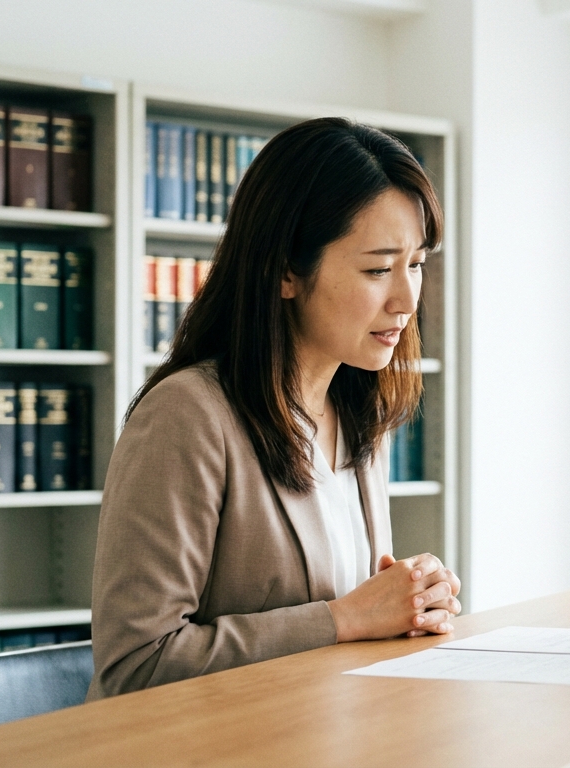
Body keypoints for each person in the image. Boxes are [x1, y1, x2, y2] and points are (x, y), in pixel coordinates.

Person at [88, 118, 461, 699]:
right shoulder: (187, 417)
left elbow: (345, 635)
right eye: (377, 268)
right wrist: (349, 618)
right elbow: (137, 665)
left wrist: (410, 603)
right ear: (285, 270)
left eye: (416, 265)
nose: (407, 300)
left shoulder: (358, 412)